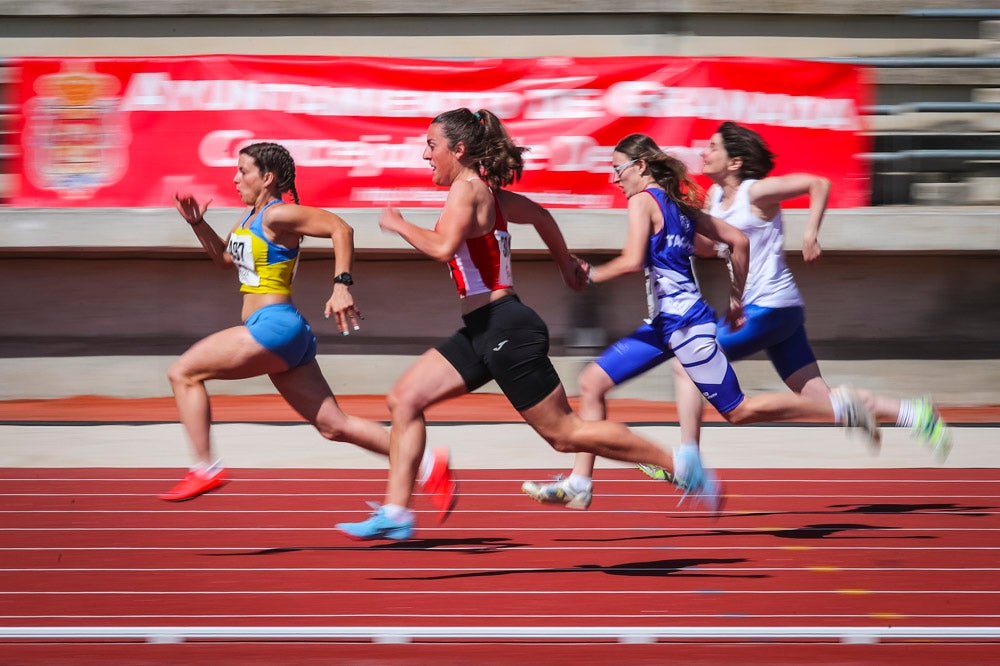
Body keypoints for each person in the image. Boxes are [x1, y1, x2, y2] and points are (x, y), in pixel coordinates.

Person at [334, 108, 725, 541]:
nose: (425, 156)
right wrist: (565, 267)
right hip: (482, 329)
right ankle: (396, 512)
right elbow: (541, 215)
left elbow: (445, 247)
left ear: (458, 150)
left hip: (506, 329)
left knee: (566, 434)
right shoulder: (483, 191)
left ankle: (678, 465)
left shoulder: (466, 188)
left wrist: (399, 224)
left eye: (431, 146)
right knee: (404, 400)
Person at [523, 131, 894, 510]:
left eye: (618, 170)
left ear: (640, 167)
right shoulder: (681, 206)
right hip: (663, 325)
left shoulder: (642, 202)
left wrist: (589, 275)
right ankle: (581, 483)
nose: (614, 179)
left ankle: (839, 408)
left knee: (738, 411)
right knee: (592, 382)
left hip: (685, 326)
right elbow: (739, 241)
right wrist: (734, 299)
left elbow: (633, 259)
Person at [160, 141, 451, 502]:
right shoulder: (249, 217)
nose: (235, 179)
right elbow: (223, 259)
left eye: (243, 171)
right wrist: (197, 223)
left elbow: (340, 228)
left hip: (272, 326)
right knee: (334, 426)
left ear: (267, 178)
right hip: (285, 333)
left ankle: (205, 467)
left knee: (183, 373)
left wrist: (341, 285)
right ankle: (426, 466)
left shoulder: (278, 215)